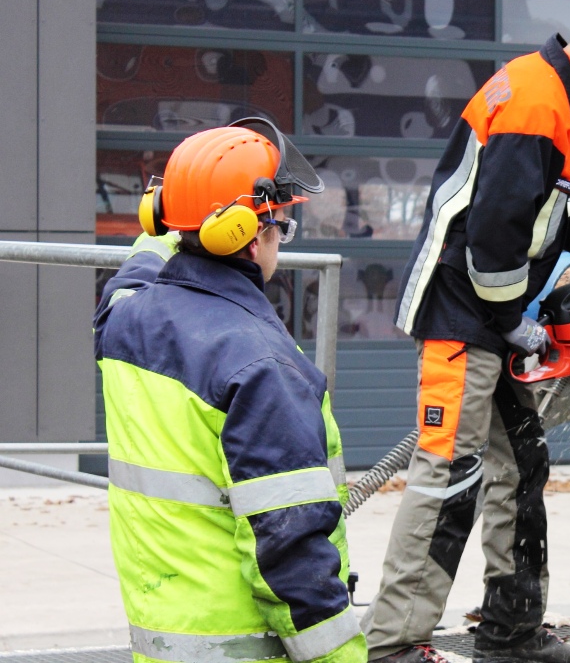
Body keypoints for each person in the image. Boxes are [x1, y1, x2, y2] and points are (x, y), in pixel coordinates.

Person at [359, 0, 570, 663]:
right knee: (449, 474)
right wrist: (515, 321)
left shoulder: (553, 92)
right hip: (463, 313)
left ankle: (511, 634)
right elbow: (494, 233)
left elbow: (536, 199)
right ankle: (393, 645)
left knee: (519, 462)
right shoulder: (537, 101)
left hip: (486, 312)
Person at [94, 118, 367, 663]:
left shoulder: (124, 321)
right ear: (250, 234)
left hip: (164, 643)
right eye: (281, 225)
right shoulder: (262, 366)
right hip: (245, 648)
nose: (280, 238)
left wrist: (179, 216)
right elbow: (291, 553)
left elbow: (133, 273)